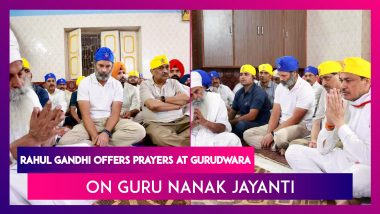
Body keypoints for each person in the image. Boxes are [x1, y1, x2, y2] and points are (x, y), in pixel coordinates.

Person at [9, 29, 93, 205]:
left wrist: (48, 136)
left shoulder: (28, 94)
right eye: (8, 76)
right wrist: (30, 140)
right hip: (9, 170)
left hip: (31, 160)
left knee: (87, 152)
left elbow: (43, 142)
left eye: (20, 73)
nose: (17, 83)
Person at [285, 57, 371, 199]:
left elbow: (368, 158)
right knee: (293, 151)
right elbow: (323, 149)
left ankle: (325, 188)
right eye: (342, 80)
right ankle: (328, 189)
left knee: (360, 174)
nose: (342, 86)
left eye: (348, 80)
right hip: (346, 160)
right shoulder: (344, 100)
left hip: (366, 168)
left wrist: (340, 124)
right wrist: (330, 124)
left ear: (367, 81)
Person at [59, 47, 145, 146]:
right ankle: (110, 146)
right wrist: (95, 137)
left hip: (111, 121)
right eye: (101, 65)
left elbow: (115, 114)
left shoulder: (116, 84)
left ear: (112, 67)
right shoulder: (84, 83)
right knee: (63, 143)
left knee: (140, 131)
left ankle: (94, 145)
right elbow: (85, 115)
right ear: (95, 64)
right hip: (90, 122)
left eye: (108, 66)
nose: (104, 70)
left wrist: (106, 133)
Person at [243, 56, 315, 153]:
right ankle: (280, 147)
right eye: (279, 75)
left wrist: (273, 134)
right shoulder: (281, 87)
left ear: (294, 74)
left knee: (280, 137)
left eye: (284, 76)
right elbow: (275, 114)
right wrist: (269, 134)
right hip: (281, 124)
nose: (281, 79)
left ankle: (279, 145)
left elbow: (295, 119)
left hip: (301, 126)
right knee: (248, 134)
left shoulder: (305, 89)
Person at [290, 61, 343, 148]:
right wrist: (314, 139)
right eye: (322, 79)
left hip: (340, 139)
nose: (324, 83)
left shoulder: (349, 95)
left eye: (327, 78)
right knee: (294, 145)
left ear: (339, 76)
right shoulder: (325, 92)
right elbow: (317, 121)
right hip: (323, 135)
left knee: (325, 148)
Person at [140, 54, 190, 146]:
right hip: (157, 124)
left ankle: (175, 142)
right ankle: (188, 146)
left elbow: (186, 99)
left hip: (181, 121)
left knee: (200, 126)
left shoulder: (174, 82)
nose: (165, 71)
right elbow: (153, 105)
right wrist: (177, 106)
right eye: (160, 68)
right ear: (152, 71)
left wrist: (162, 99)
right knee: (159, 137)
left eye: (167, 67)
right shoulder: (145, 84)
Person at [191, 71, 241, 147]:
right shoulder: (185, 102)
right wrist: (193, 123)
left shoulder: (216, 99)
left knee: (233, 139)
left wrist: (204, 122)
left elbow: (222, 127)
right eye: (191, 94)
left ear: (202, 88)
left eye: (197, 91)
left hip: (213, 137)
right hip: (192, 138)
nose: (195, 97)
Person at [228, 64, 272, 138]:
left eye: (246, 74)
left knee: (240, 125)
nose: (243, 77)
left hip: (260, 123)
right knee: (226, 125)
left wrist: (231, 122)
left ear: (253, 77)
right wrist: (226, 122)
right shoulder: (239, 92)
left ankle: (232, 141)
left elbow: (252, 116)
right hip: (245, 121)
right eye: (241, 74)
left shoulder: (259, 92)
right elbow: (233, 111)